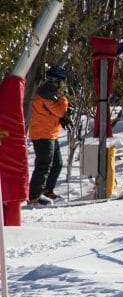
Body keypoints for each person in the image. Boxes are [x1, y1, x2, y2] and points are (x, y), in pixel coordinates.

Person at [27, 65, 69, 205]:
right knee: (43, 165)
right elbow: (60, 111)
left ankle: (46, 191)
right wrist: (64, 99)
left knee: (57, 163)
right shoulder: (46, 94)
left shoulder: (50, 92)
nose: (63, 84)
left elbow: (55, 113)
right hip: (42, 135)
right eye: (62, 81)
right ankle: (34, 197)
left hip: (50, 134)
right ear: (57, 80)